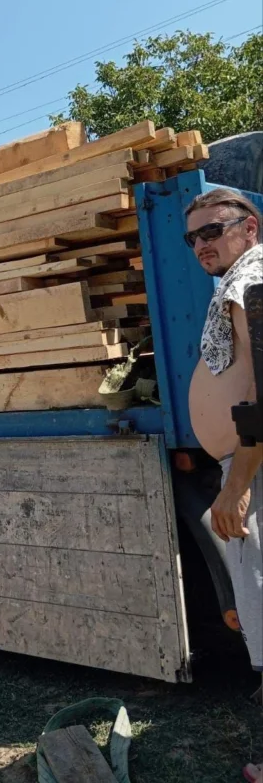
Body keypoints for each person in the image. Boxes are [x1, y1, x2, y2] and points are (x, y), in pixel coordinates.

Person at [185, 187, 262, 778]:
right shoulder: (237, 286)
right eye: (193, 238)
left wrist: (237, 484)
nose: (201, 245)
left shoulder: (254, 284)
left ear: (250, 229)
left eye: (213, 231)